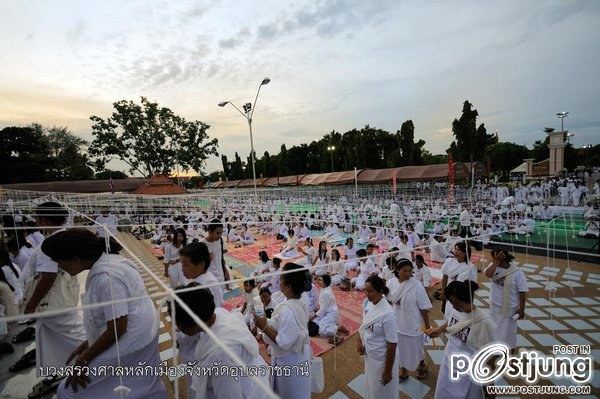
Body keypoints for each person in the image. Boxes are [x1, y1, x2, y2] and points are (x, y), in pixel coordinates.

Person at [41, 228, 166, 398]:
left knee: (68, 392)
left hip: (132, 340)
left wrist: (83, 359)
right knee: (141, 382)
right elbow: (115, 319)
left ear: (75, 259)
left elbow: (117, 328)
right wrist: (90, 341)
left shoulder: (106, 278)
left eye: (59, 261)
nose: (59, 266)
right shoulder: (112, 262)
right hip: (142, 332)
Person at [19, 202, 86, 397]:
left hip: (52, 299)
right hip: (57, 296)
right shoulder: (61, 236)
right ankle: (60, 367)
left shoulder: (53, 243)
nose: (37, 222)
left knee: (73, 333)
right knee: (53, 334)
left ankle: (94, 360)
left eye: (38, 218)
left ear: (44, 220)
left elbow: (48, 275)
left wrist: (32, 303)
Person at [174, 287, 273, 399]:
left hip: (248, 391)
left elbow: (229, 395)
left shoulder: (221, 355)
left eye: (179, 325)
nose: (179, 328)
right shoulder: (217, 312)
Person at [426, 281, 496, 399]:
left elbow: (490, 356)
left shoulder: (484, 323)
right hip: (449, 362)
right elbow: (452, 323)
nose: (453, 306)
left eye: (456, 303)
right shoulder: (457, 309)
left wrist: (490, 384)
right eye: (451, 302)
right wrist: (439, 330)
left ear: (467, 299)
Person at [254, 263, 312, 399]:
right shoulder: (300, 299)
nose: (277, 282)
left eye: (280, 279)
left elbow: (283, 342)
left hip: (289, 361)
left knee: (289, 393)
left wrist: (263, 326)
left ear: (288, 287)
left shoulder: (287, 310)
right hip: (300, 355)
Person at [386, 259, 431, 380]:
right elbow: (389, 300)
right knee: (400, 348)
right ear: (397, 270)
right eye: (404, 271)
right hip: (397, 322)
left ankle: (422, 365)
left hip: (413, 322)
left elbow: (423, 307)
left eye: (410, 271)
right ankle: (404, 370)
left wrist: (427, 326)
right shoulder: (391, 283)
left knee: (416, 346)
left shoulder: (416, 285)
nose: (407, 273)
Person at [357, 275, 399, 399]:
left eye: (371, 291)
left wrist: (387, 371)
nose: (367, 294)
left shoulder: (388, 315)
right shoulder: (368, 304)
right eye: (366, 290)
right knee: (372, 387)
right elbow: (363, 325)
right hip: (370, 356)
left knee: (381, 392)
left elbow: (392, 344)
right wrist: (359, 341)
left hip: (382, 360)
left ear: (380, 290)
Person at [484, 249, 527, 351]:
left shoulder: (517, 273)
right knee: (494, 331)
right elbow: (488, 274)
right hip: (494, 306)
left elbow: (523, 292)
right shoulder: (494, 267)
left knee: (508, 335)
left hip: (509, 309)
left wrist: (521, 309)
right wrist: (496, 262)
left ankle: (510, 357)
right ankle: (495, 352)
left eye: (496, 257)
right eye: (494, 258)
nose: (494, 259)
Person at [177, 242, 224, 307]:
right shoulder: (196, 278)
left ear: (201, 264)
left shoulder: (205, 288)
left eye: (186, 265)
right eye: (182, 264)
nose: (182, 269)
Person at [440, 242, 477, 317]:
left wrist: (468, 302)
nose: (456, 251)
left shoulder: (471, 268)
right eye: (455, 249)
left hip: (461, 299)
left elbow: (472, 287)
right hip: (450, 295)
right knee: (448, 315)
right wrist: (443, 292)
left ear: (465, 252)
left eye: (459, 250)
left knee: (459, 317)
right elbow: (445, 278)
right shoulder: (449, 262)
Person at [201, 219, 231, 286]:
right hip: (209, 278)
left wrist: (225, 271)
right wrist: (207, 259)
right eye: (217, 233)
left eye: (221, 233)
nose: (220, 235)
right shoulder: (202, 244)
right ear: (210, 231)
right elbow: (198, 265)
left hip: (220, 275)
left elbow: (221, 258)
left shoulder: (220, 240)